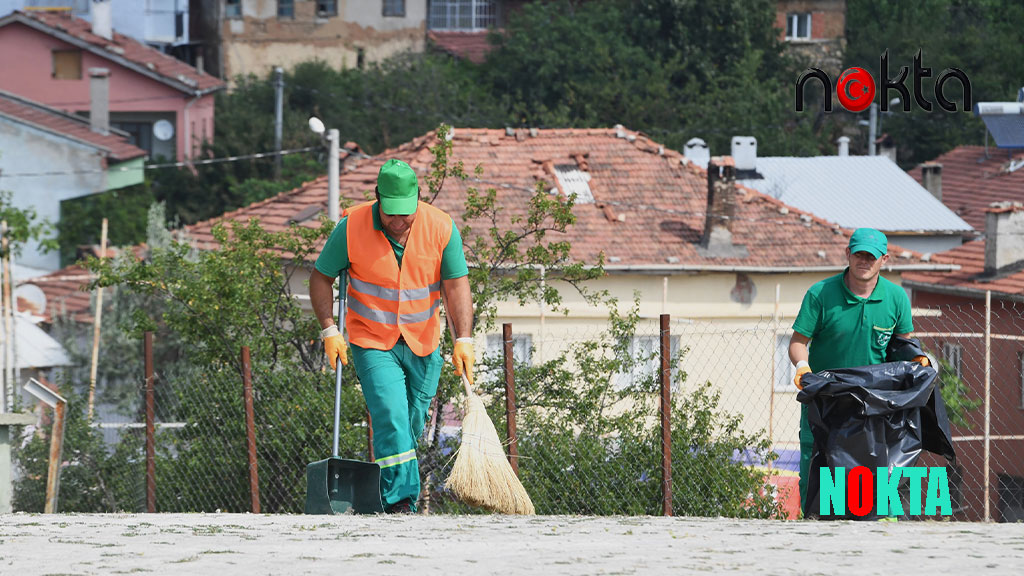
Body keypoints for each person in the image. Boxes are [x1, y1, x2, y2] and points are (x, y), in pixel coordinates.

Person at [309, 158, 476, 514]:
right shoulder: (351, 227)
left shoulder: (441, 227)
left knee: (410, 424)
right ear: (377, 199)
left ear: (418, 199)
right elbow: (320, 276)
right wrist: (329, 329)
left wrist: (464, 338)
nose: (399, 222)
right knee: (390, 414)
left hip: (423, 341)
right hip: (372, 341)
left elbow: (456, 283)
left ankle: (388, 492)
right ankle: (400, 502)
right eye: (391, 213)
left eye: (406, 213)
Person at [788, 228, 928, 517]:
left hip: (873, 410)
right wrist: (803, 367)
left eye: (872, 256)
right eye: (859, 254)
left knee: (871, 486)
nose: (864, 261)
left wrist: (917, 358)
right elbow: (798, 342)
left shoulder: (896, 298)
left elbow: (903, 345)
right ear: (848, 254)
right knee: (818, 481)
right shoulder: (821, 294)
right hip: (826, 405)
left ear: (884, 259)